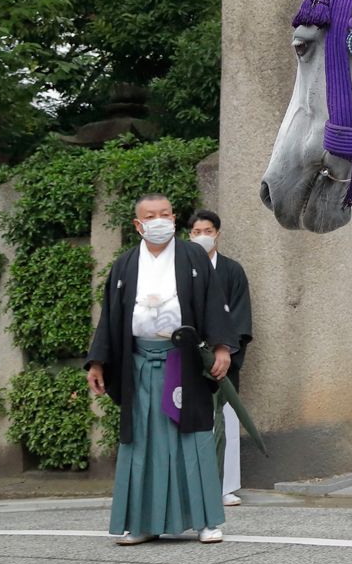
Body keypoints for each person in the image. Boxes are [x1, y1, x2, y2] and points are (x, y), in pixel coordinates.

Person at [86, 194, 241, 545]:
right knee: (141, 440)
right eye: (150, 216)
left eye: (165, 214)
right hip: (139, 362)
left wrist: (221, 347)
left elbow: (214, 305)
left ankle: (205, 521)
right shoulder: (125, 265)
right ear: (138, 225)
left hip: (182, 360)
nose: (159, 221)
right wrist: (97, 361)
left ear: (173, 218)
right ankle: (143, 522)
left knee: (194, 439)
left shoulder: (193, 257)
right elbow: (110, 318)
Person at [188, 210, 251, 507]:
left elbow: (239, 318)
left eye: (208, 230)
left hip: (224, 360)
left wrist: (225, 353)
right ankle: (192, 485)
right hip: (189, 358)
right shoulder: (183, 269)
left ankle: (226, 486)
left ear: (218, 233)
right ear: (189, 235)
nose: (203, 236)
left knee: (225, 420)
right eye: (197, 231)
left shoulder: (232, 271)